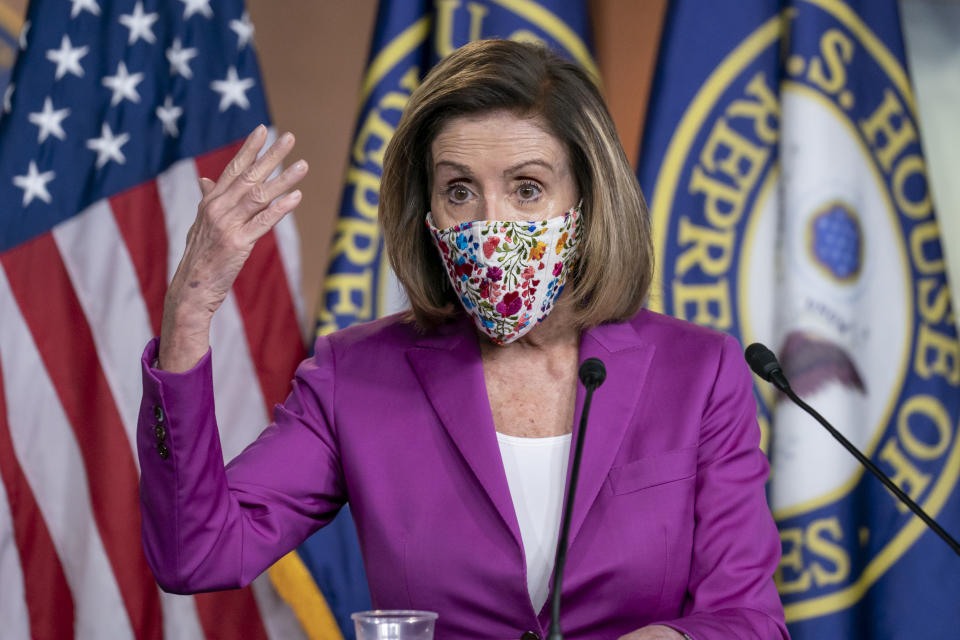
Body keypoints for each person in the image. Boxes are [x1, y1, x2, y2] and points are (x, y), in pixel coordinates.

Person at [139, 39, 789, 640]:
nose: (491, 225)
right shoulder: (355, 376)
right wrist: (190, 312)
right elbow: (196, 555)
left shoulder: (698, 372)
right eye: (459, 191)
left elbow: (749, 619)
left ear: (586, 201)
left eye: (527, 189)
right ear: (428, 214)